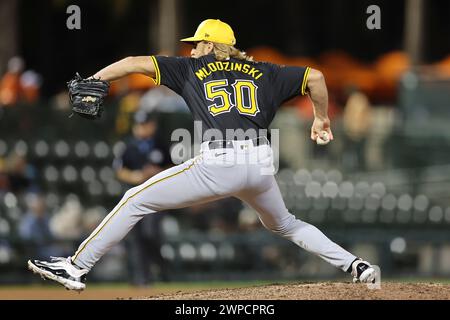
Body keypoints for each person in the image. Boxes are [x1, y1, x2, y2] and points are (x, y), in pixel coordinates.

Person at [28, 19, 376, 291]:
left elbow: (133, 62)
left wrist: (94, 78)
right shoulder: (266, 71)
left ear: (211, 45)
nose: (192, 50)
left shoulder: (190, 69)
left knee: (135, 198)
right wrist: (321, 119)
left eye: (197, 44)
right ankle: (357, 266)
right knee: (286, 224)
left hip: (219, 163)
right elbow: (315, 76)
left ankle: (75, 266)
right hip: (259, 165)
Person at [113, 110, 170, 286]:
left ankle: (161, 267)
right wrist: (136, 176)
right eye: (139, 125)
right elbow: (119, 170)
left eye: (145, 125)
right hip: (134, 196)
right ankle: (142, 278)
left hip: (156, 198)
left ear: (152, 125)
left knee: (151, 233)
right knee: (136, 238)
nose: (141, 129)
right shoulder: (128, 146)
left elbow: (173, 166)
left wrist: (156, 172)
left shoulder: (161, 144)